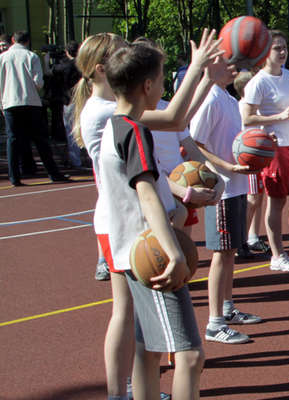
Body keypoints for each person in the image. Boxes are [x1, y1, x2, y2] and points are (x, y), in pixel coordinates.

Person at [73, 31, 223, 399]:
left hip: (131, 250)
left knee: (149, 348)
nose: (163, 88)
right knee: (189, 356)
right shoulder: (132, 132)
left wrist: (203, 72)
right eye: (160, 79)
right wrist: (172, 250)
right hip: (150, 254)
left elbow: (172, 120)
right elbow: (147, 195)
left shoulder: (116, 125)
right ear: (147, 85)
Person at [190, 56, 265, 345]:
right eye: (228, 65)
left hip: (235, 185)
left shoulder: (228, 99)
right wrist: (227, 167)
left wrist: (258, 145)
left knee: (231, 251)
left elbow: (237, 141)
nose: (234, 70)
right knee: (221, 255)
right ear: (211, 68)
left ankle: (227, 309)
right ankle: (214, 323)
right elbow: (195, 144)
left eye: (235, 65)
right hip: (220, 188)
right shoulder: (210, 99)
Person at [241, 30, 289, 272]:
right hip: (274, 149)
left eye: (285, 47)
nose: (283, 52)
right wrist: (277, 117)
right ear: (265, 52)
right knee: (277, 202)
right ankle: (277, 254)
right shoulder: (258, 82)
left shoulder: (288, 76)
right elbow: (247, 118)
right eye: (277, 48)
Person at [0, 31, 69, 186]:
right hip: (31, 102)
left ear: (12, 40)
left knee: (13, 140)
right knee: (41, 140)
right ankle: (53, 173)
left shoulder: (2, 58)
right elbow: (39, 83)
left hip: (10, 102)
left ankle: (14, 177)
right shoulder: (32, 56)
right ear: (27, 41)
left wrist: (2, 104)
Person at [233, 70, 271, 259]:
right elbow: (245, 136)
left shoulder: (255, 108)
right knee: (252, 198)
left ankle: (252, 236)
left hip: (257, 157)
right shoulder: (242, 108)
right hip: (249, 159)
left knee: (258, 197)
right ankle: (241, 240)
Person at [45, 40, 82, 143]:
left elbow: (48, 72)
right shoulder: (83, 64)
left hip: (69, 100)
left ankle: (75, 157)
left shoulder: (66, 66)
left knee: (70, 130)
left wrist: (46, 61)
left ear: (67, 52)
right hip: (83, 99)